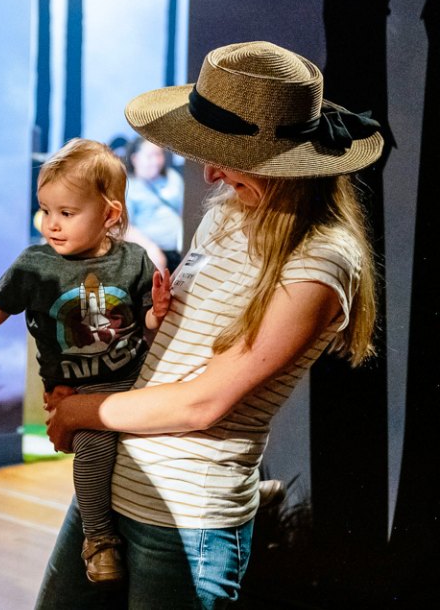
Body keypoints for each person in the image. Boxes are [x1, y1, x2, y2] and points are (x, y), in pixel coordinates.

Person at [36, 40, 383, 609]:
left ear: (288, 164)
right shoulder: (228, 212)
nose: (211, 171)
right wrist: (148, 325)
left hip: (186, 521)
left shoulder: (322, 260)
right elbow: (179, 358)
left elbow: (205, 402)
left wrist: (81, 411)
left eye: (227, 155)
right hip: (112, 491)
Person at [0, 138, 171, 586]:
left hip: (134, 381)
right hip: (80, 394)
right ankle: (99, 538)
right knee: (94, 451)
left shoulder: (135, 260)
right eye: (45, 210)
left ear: (110, 215)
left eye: (66, 213)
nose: (51, 224)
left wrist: (157, 312)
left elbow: (145, 323)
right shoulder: (34, 265)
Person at [123, 136, 185, 271]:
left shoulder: (173, 178)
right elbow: (124, 227)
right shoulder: (128, 186)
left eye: (159, 155)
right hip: (154, 255)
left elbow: (184, 213)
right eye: (150, 156)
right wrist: (150, 248)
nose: (156, 161)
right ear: (135, 159)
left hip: (182, 251)